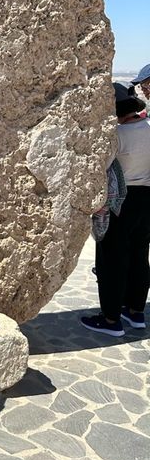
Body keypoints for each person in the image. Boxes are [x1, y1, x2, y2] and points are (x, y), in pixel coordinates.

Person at [81, 79, 150, 336]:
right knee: (139, 256)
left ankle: (111, 320)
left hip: (121, 201)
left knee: (112, 259)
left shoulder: (116, 136)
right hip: (147, 200)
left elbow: (101, 168)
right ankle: (135, 312)